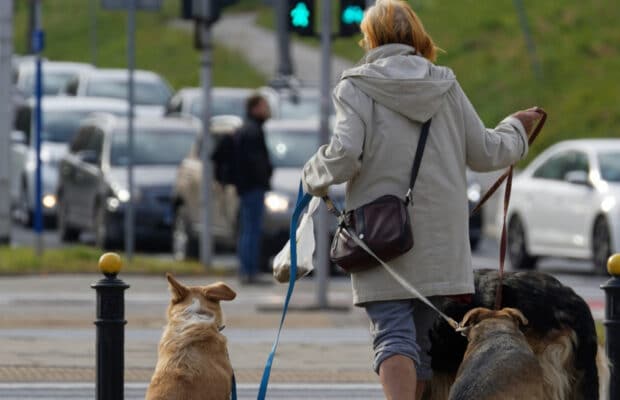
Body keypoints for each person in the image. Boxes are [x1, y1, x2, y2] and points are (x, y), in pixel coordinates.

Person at [300, 1, 543, 399]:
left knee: (392, 333)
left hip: (383, 235)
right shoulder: (445, 84)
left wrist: (311, 176)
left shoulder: (356, 87)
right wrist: (517, 128)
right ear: (417, 34)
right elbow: (486, 151)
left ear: (371, 38)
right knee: (419, 340)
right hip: (440, 242)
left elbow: (344, 155)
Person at [235, 94, 273, 285]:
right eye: (264, 106)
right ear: (255, 108)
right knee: (251, 230)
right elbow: (255, 162)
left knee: (247, 229)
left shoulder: (248, 129)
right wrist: (264, 176)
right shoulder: (252, 131)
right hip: (253, 188)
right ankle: (249, 271)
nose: (267, 110)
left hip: (247, 188)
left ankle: (247, 270)